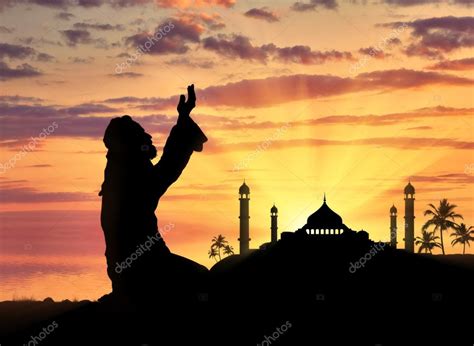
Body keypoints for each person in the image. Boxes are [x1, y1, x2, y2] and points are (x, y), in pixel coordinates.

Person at [99, 84, 208, 301]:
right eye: (141, 135)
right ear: (130, 144)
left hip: (140, 264)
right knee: (204, 281)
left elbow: (163, 171)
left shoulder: (122, 171)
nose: (148, 137)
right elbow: (166, 171)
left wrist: (183, 119)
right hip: (143, 268)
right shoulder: (127, 175)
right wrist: (183, 122)